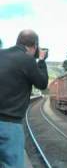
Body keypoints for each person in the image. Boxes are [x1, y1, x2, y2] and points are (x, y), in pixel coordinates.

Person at [0, 30, 48, 168]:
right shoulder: (28, 60)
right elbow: (42, 83)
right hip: (10, 124)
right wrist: (42, 61)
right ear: (34, 46)